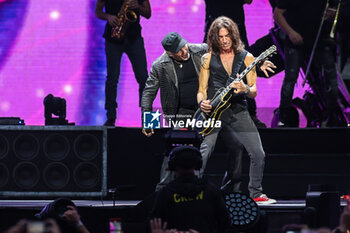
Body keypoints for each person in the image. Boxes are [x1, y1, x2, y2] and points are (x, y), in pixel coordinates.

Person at [141, 32, 275, 192]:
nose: (184, 52)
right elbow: (149, 93)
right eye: (179, 51)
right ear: (169, 53)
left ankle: (231, 187)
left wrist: (257, 63)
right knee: (177, 148)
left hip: (211, 107)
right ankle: (166, 189)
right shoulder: (159, 65)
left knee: (236, 144)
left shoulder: (200, 50)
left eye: (184, 46)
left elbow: (232, 55)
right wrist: (147, 121)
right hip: (182, 112)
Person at [197, 16, 276, 204]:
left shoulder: (247, 58)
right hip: (214, 111)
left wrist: (245, 89)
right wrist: (202, 103)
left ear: (233, 36)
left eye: (227, 36)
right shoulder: (207, 58)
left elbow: (254, 91)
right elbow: (201, 90)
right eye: (220, 36)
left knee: (258, 153)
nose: (224, 40)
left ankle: (256, 193)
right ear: (214, 38)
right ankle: (192, 190)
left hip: (238, 109)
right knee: (205, 151)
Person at [203, 0, 272, 129]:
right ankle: (212, 115)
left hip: (235, 28)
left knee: (243, 71)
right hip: (217, 27)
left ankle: (249, 115)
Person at [274, 0, 342, 127]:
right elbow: (278, 14)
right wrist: (291, 32)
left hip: (321, 39)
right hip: (295, 41)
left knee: (331, 78)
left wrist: (331, 14)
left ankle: (333, 114)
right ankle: (284, 115)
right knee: (290, 79)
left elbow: (334, 9)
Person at [150, 146, 231, 233]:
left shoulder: (165, 193)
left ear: (172, 165)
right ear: (198, 164)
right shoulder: (211, 191)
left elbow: (153, 224)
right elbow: (225, 223)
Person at [95, 0, 151, 126]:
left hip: (134, 38)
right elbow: (98, 12)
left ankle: (147, 117)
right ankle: (111, 116)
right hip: (113, 38)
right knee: (112, 78)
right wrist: (108, 16)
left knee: (143, 77)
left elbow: (148, 13)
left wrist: (138, 7)